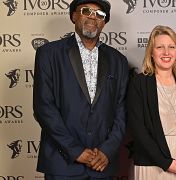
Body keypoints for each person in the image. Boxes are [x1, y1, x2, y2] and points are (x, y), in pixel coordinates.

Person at [33, 0, 128, 179]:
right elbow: (44, 107)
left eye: (99, 14)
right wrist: (75, 151)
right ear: (74, 16)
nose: (93, 16)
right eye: (86, 11)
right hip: (62, 163)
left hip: (102, 165)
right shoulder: (48, 53)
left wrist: (106, 151)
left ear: (105, 22)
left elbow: (121, 111)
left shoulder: (118, 61)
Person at [127, 25, 176, 180]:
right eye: (160, 47)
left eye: (171, 47)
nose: (166, 52)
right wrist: (165, 162)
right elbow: (137, 129)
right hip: (153, 163)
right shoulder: (139, 83)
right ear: (151, 52)